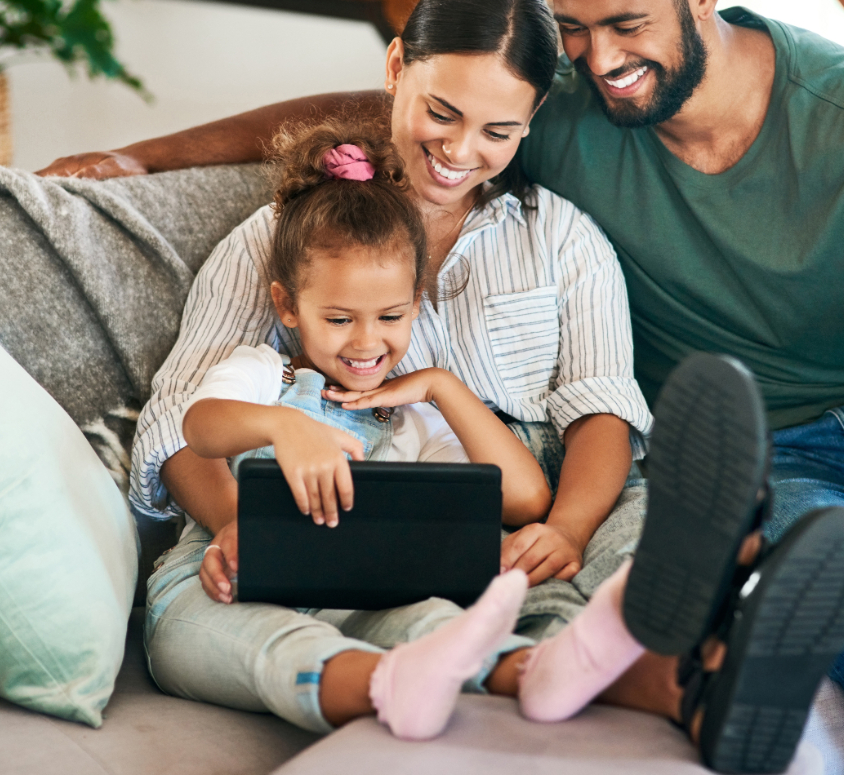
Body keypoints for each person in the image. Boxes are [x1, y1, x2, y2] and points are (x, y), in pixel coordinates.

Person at [42, 0, 844, 775]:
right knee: (809, 550)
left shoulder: (843, 128)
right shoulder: (519, 134)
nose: (602, 62)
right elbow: (382, 121)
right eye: (578, 30)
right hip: (764, 454)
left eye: (626, 26)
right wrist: (142, 159)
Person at [109, 0, 844, 772]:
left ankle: (699, 636)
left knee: (627, 533)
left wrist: (567, 529)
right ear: (396, 67)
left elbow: (601, 412)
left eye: (497, 132)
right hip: (303, 504)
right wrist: (237, 522)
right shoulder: (280, 239)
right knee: (299, 612)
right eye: (441, 112)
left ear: (533, 119)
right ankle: (680, 668)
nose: (459, 152)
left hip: (521, 487)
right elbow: (179, 429)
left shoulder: (562, 237)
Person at [154, 116, 551, 740]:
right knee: (264, 643)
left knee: (430, 623)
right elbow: (199, 426)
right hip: (226, 586)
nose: (368, 342)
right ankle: (380, 688)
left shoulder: (414, 414)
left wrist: (443, 386)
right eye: (339, 319)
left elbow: (527, 499)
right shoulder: (266, 374)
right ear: (288, 306)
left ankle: (542, 672)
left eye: (391, 315)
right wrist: (285, 428)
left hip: (362, 602)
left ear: (416, 302)